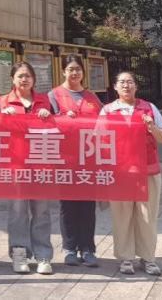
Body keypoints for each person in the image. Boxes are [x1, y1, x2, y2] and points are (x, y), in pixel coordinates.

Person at [102, 71, 162, 276]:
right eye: (122, 82)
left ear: (136, 87)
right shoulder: (107, 110)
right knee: (121, 216)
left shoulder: (149, 108)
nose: (126, 85)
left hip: (148, 170)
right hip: (120, 172)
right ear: (115, 86)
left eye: (130, 82)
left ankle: (148, 258)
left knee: (147, 216)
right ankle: (125, 258)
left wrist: (151, 126)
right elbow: (98, 139)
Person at [0, 61, 54, 275]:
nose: (24, 79)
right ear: (13, 79)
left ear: (33, 79)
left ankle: (43, 255)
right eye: (20, 76)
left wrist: (48, 117)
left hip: (41, 162)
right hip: (17, 163)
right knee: (17, 210)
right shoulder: (4, 100)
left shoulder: (44, 100)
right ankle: (19, 252)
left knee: (41, 210)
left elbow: (54, 128)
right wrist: (3, 116)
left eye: (28, 75)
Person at [49, 53, 103, 268]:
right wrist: (63, 119)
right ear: (63, 71)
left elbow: (104, 122)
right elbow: (46, 123)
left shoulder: (92, 97)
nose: (75, 73)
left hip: (88, 157)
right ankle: (70, 248)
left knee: (88, 205)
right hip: (65, 157)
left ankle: (88, 248)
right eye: (70, 69)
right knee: (68, 204)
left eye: (78, 69)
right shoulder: (54, 95)